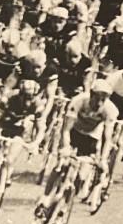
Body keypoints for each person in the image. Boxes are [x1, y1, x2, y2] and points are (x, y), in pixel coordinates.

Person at [39, 79, 117, 210]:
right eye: (97, 98)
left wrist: (102, 160)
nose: (99, 103)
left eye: (103, 99)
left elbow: (107, 138)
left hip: (91, 137)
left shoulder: (110, 110)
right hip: (73, 131)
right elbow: (66, 129)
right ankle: (45, 198)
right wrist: (65, 147)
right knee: (61, 164)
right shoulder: (78, 101)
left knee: (81, 175)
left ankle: (64, 207)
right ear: (91, 94)